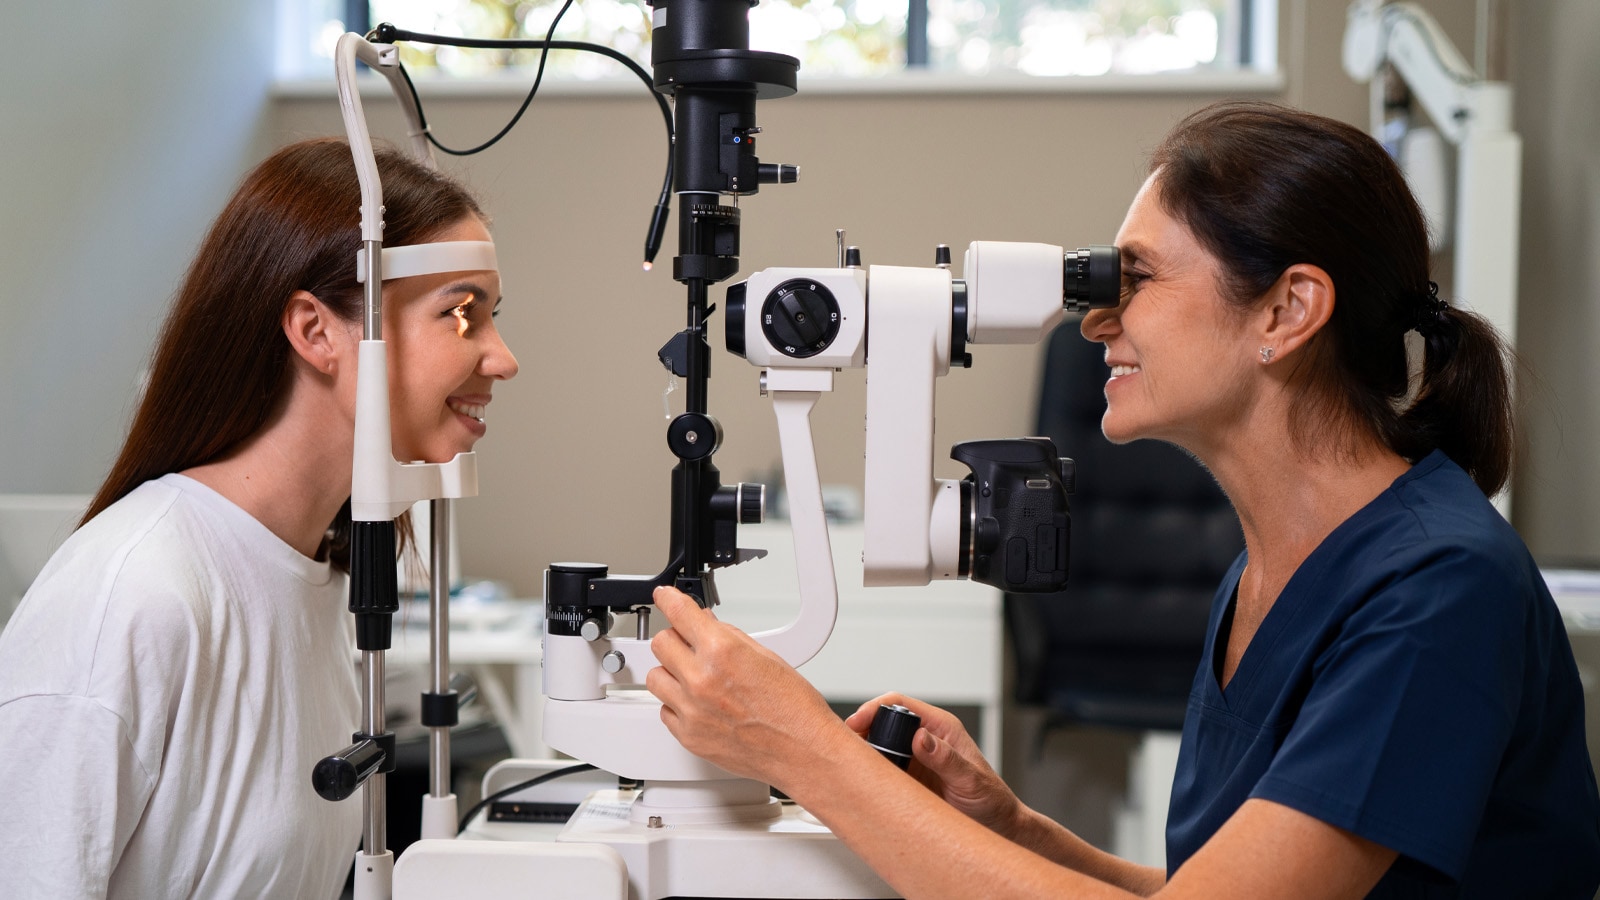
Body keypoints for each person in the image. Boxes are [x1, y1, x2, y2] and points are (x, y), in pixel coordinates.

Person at [643, 101, 1600, 898]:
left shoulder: (1436, 593)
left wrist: (806, 750)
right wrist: (1014, 826)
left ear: (1286, 311)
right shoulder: (1275, 568)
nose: (1096, 318)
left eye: (1133, 278)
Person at [0, 138, 518, 898]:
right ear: (316, 331)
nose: (503, 358)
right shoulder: (135, 594)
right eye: (461, 315)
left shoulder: (311, 576)